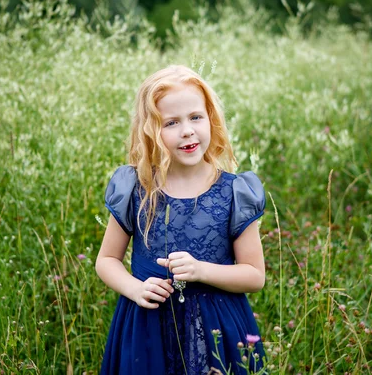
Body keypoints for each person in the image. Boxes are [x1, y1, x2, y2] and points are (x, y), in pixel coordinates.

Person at [96, 65, 266, 375]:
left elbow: (254, 275)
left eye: (195, 118)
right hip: (147, 327)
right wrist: (134, 289)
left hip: (217, 329)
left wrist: (201, 270)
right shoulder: (135, 188)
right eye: (171, 122)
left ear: (211, 120)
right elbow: (106, 260)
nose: (187, 130)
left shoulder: (234, 192)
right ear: (150, 131)